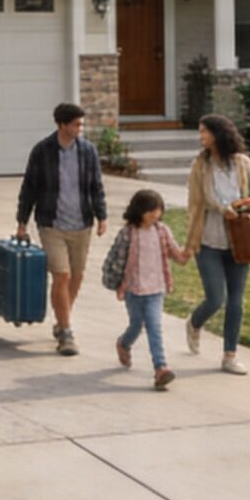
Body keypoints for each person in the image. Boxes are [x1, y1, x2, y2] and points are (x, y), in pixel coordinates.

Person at [180, 112, 250, 374]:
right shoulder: (200, 165)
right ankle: (195, 323)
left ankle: (229, 356)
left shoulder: (241, 162)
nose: (200, 137)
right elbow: (202, 200)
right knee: (215, 298)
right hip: (208, 239)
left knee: (236, 300)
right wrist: (224, 209)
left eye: (204, 132)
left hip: (239, 241)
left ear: (217, 134)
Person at [15, 103, 109, 356]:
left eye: (81, 124)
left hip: (82, 223)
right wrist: (22, 222)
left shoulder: (88, 151)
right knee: (62, 275)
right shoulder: (42, 151)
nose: (81, 128)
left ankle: (61, 318)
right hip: (51, 223)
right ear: (62, 125)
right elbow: (29, 188)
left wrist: (102, 216)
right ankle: (66, 332)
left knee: (77, 275)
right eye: (76, 124)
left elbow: (96, 186)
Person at [110, 189, 189, 390]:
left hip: (156, 289)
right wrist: (119, 285)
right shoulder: (128, 233)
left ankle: (160, 367)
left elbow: (177, 255)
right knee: (136, 325)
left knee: (154, 326)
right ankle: (123, 343)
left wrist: (188, 252)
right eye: (150, 211)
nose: (155, 215)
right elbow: (117, 261)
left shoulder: (162, 231)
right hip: (133, 290)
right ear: (139, 211)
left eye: (158, 210)